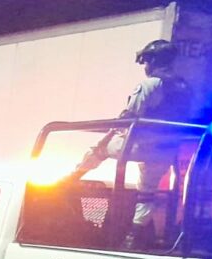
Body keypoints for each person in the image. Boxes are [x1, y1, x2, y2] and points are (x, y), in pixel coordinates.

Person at [70, 39, 192, 247]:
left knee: (100, 149)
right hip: (167, 150)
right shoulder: (184, 87)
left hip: (142, 145)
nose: (145, 66)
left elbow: (131, 115)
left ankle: (72, 178)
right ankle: (132, 235)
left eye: (146, 61)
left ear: (154, 60)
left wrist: (113, 127)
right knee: (147, 192)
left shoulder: (150, 84)